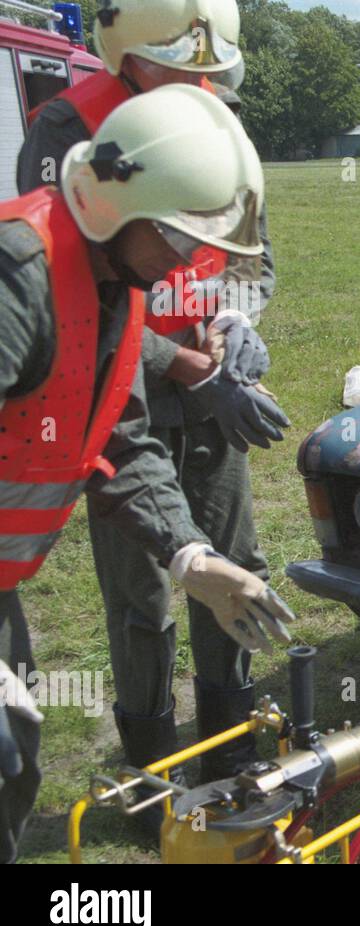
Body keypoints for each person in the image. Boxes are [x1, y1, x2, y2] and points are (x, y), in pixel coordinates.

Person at [0, 85, 295, 862]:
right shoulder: (16, 276)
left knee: (15, 757)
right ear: (120, 210)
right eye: (175, 239)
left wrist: (192, 558)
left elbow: (120, 445)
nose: (184, 266)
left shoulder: (112, 287)